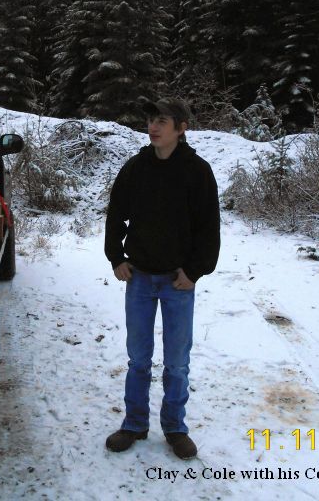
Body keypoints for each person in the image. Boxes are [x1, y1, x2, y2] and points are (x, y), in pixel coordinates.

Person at [104, 99, 220, 458]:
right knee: (138, 359)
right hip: (139, 277)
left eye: (162, 121)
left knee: (177, 363)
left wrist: (195, 270)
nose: (153, 127)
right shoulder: (136, 168)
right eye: (151, 120)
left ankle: (175, 427)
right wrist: (116, 257)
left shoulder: (197, 171)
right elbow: (116, 214)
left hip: (177, 282)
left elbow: (208, 227)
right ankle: (134, 423)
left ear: (181, 128)